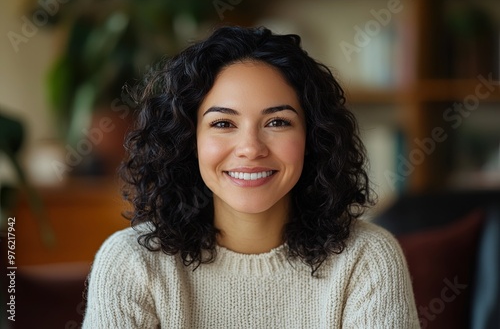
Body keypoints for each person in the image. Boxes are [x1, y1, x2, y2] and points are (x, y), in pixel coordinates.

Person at [83, 26, 419, 328]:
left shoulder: (367, 258)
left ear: (312, 138)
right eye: (223, 124)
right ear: (189, 141)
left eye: (277, 122)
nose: (251, 148)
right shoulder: (132, 264)